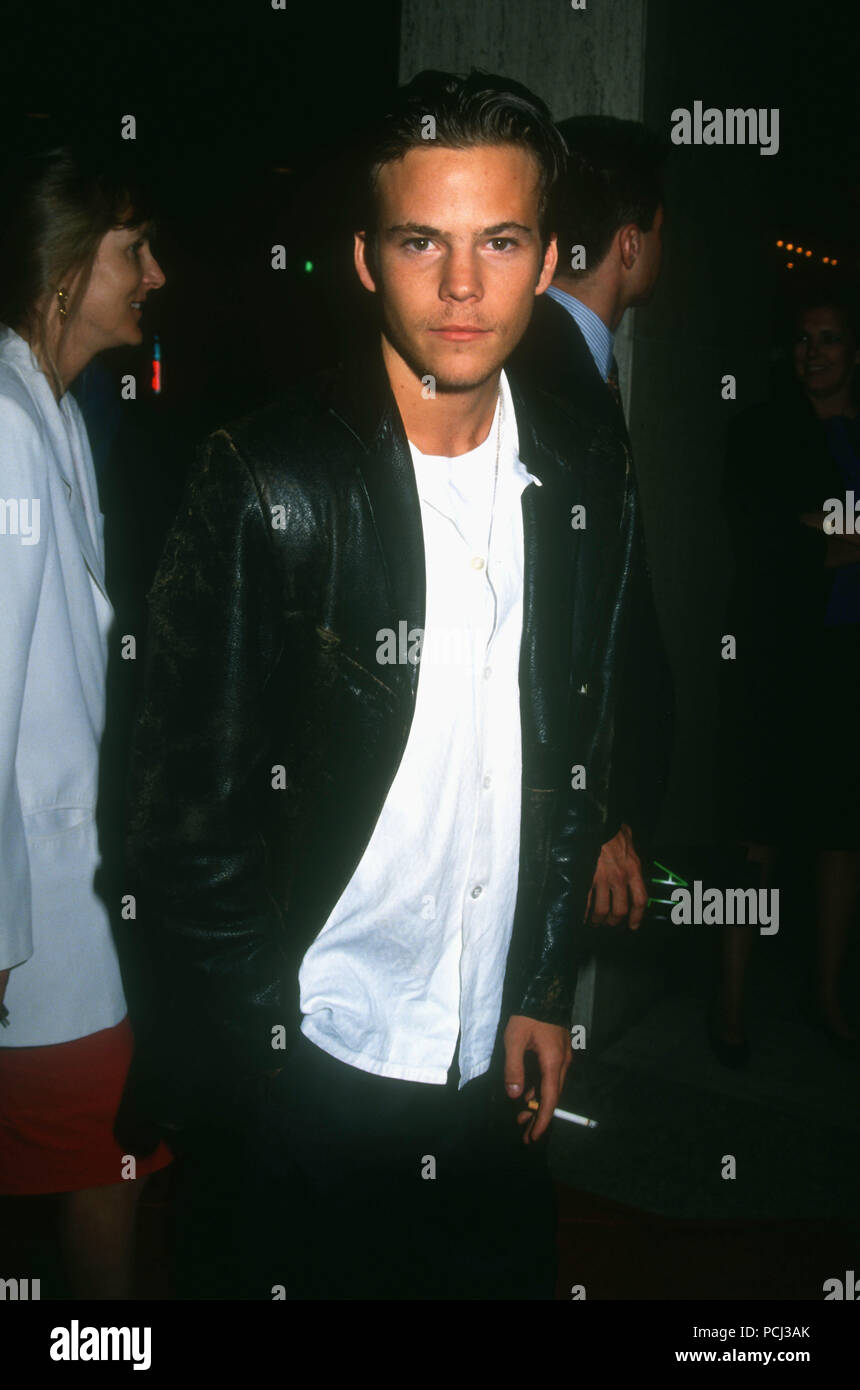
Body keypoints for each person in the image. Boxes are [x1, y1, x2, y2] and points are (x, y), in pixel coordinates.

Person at [122, 70, 643, 1300]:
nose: (461, 287)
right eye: (422, 240)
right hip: (311, 1068)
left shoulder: (583, 470)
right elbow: (177, 831)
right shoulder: (267, 480)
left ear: (547, 253)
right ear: (364, 258)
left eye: (499, 241)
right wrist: (265, 1063)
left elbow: (571, 749)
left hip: (488, 1075)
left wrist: (540, 990)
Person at [0, 143, 171, 1297]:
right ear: (66, 267)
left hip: (78, 906)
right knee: (112, 1167)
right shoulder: (8, 423)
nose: (155, 273)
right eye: (131, 249)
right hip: (38, 933)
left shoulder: (51, 409)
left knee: (115, 1165)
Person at [510, 116, 674, 934]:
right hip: (554, 804)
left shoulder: (568, 361)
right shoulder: (548, 373)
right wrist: (594, 811)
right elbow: (548, 612)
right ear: (631, 242)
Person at [713, 284, 860, 1063]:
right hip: (774, 663)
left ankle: (830, 999)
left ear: (853, 352)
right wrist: (822, 535)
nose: (815, 353)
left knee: (842, 835)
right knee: (756, 834)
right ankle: (730, 1006)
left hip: (847, 663)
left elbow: (812, 536)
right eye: (805, 339)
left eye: (830, 338)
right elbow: (771, 548)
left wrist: (819, 528)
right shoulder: (761, 429)